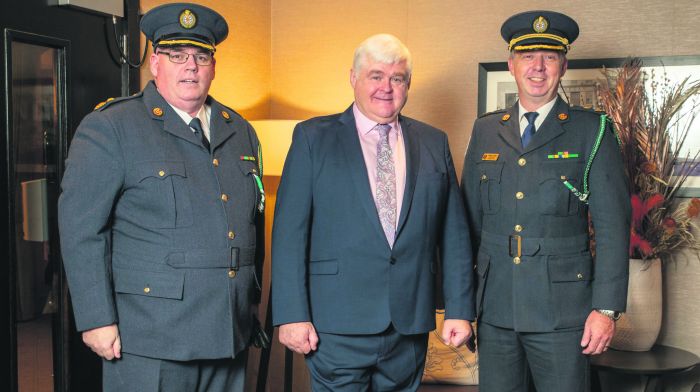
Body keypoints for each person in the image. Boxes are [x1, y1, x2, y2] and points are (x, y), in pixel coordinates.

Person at [58, 3, 265, 390]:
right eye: (177, 55)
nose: (190, 66)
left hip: (227, 331)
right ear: (155, 63)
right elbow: (81, 230)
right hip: (151, 336)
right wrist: (95, 318)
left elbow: (252, 222)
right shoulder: (112, 127)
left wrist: (249, 301)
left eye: (201, 56)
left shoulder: (239, 130)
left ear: (213, 66)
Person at [271, 33, 474, 391]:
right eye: (376, 76)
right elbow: (289, 235)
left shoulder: (433, 141)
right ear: (353, 78)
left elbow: (454, 235)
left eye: (397, 78)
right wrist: (291, 315)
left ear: (408, 84)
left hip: (408, 326)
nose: (386, 87)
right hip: (334, 325)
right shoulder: (312, 138)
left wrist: (459, 308)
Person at [461, 10, 631, 392]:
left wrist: (605, 309)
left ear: (563, 65)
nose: (538, 67)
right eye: (527, 56)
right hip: (496, 309)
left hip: (563, 311)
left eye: (549, 57)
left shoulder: (592, 130)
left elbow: (612, 228)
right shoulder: (486, 130)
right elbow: (465, 226)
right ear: (511, 64)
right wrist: (460, 305)